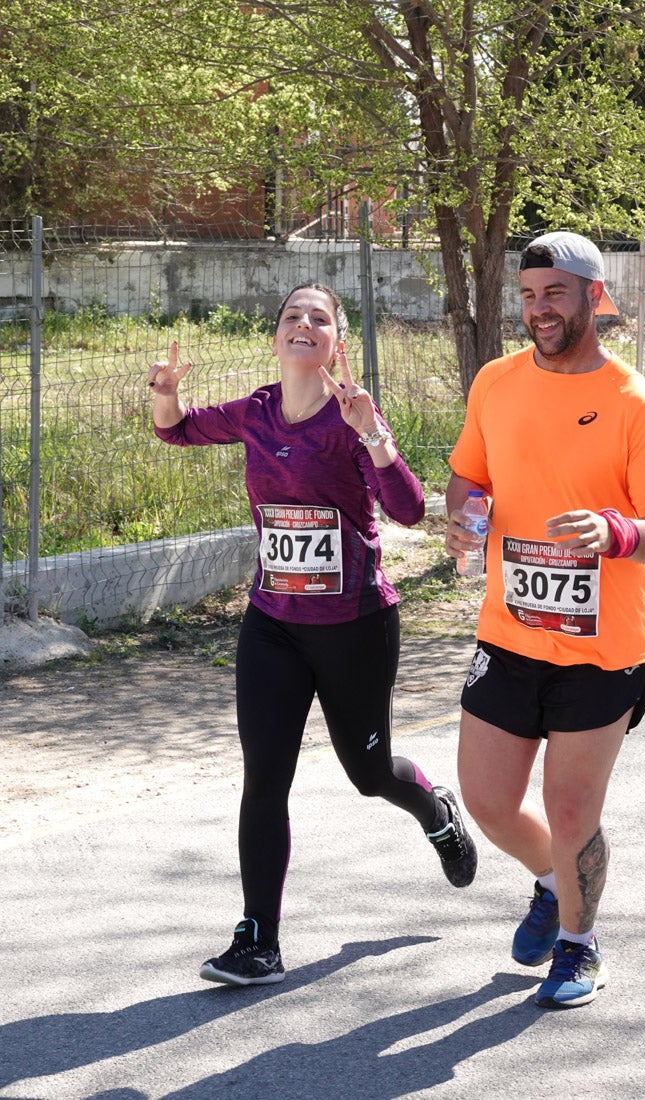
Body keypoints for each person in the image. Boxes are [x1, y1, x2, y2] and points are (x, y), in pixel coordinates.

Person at [149, 282, 477, 987]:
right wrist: (164, 393)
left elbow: (411, 510)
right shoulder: (256, 411)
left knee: (369, 774)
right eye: (292, 316)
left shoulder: (350, 416)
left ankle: (434, 810)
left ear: (335, 343)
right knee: (264, 777)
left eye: (318, 319)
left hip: (354, 626)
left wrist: (375, 438)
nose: (303, 324)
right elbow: (175, 430)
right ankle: (257, 940)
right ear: (276, 337)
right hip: (273, 625)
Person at [445, 232, 645, 1009]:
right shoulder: (494, 382)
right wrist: (464, 519)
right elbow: (466, 478)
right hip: (508, 630)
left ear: (591, 295)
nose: (538, 309)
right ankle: (552, 883)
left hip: (599, 647)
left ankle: (579, 946)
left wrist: (616, 532)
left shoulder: (630, 402)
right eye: (526, 296)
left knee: (572, 809)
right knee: (483, 797)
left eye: (553, 293)